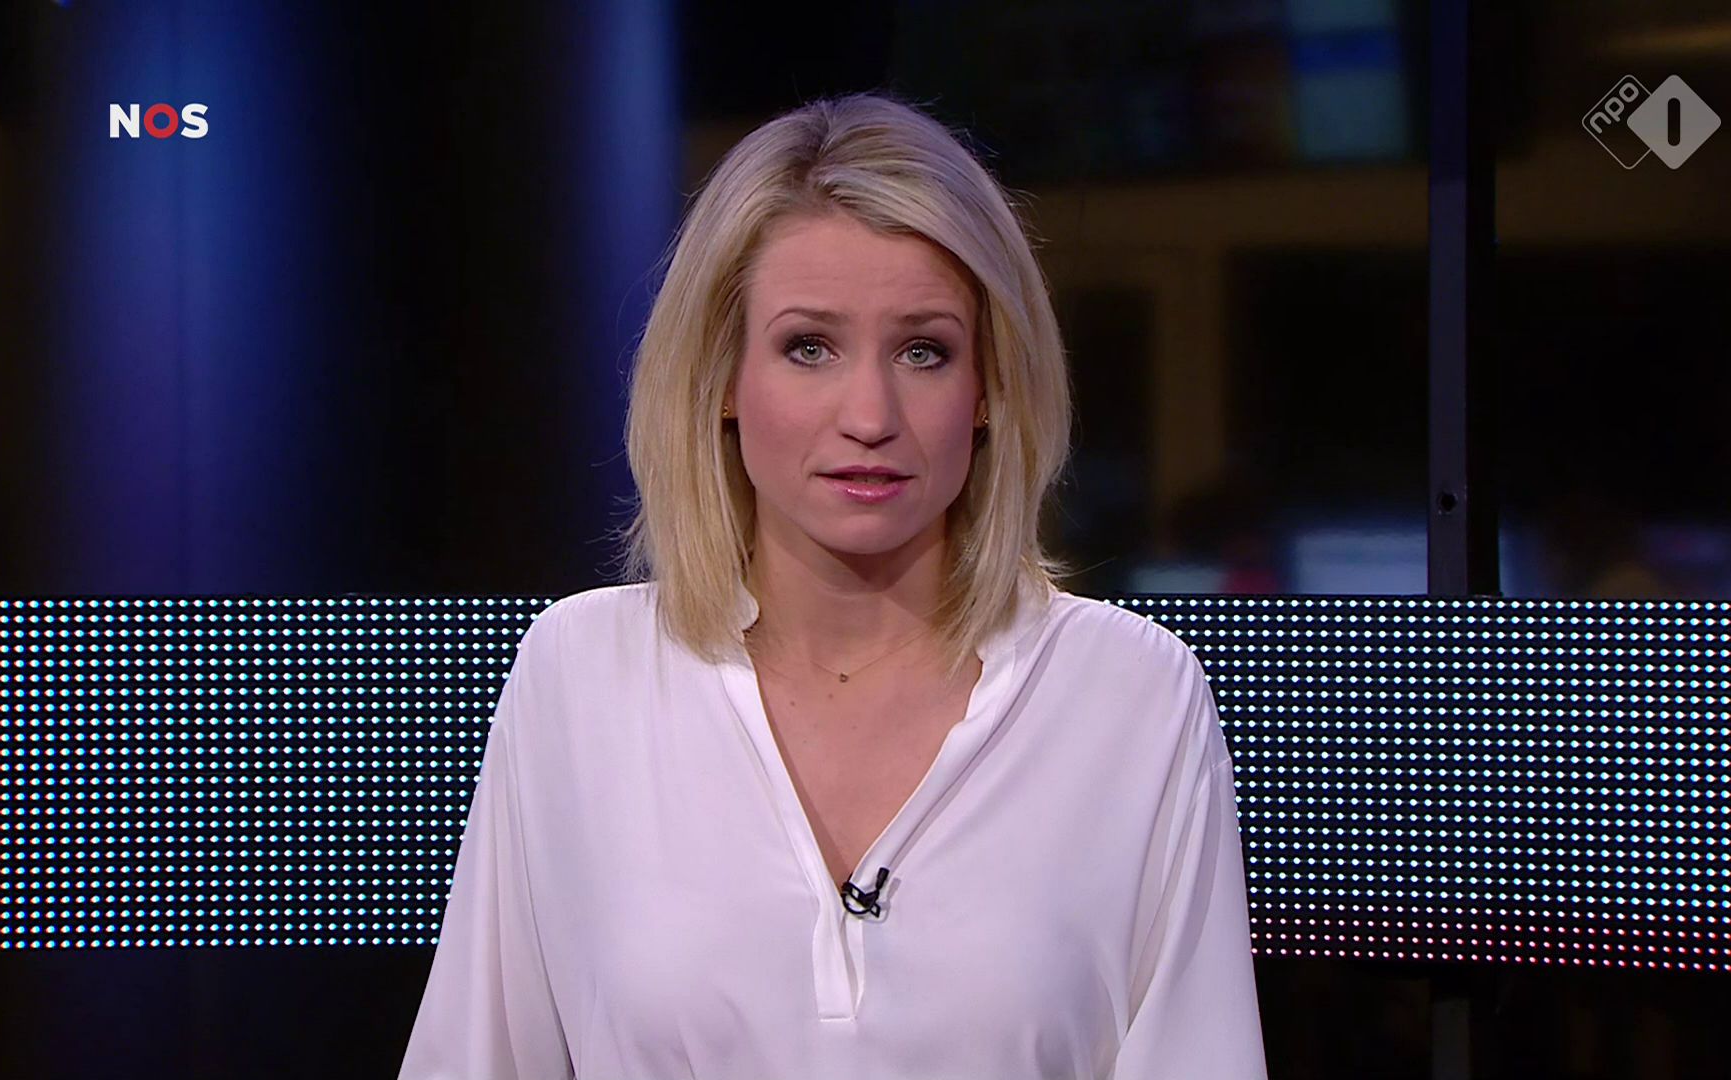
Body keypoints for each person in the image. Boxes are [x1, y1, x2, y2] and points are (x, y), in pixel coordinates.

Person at [396, 90, 1268, 1080]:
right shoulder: (581, 674)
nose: (870, 414)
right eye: (809, 346)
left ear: (989, 389)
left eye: (924, 351)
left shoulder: (1130, 692)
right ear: (722, 379)